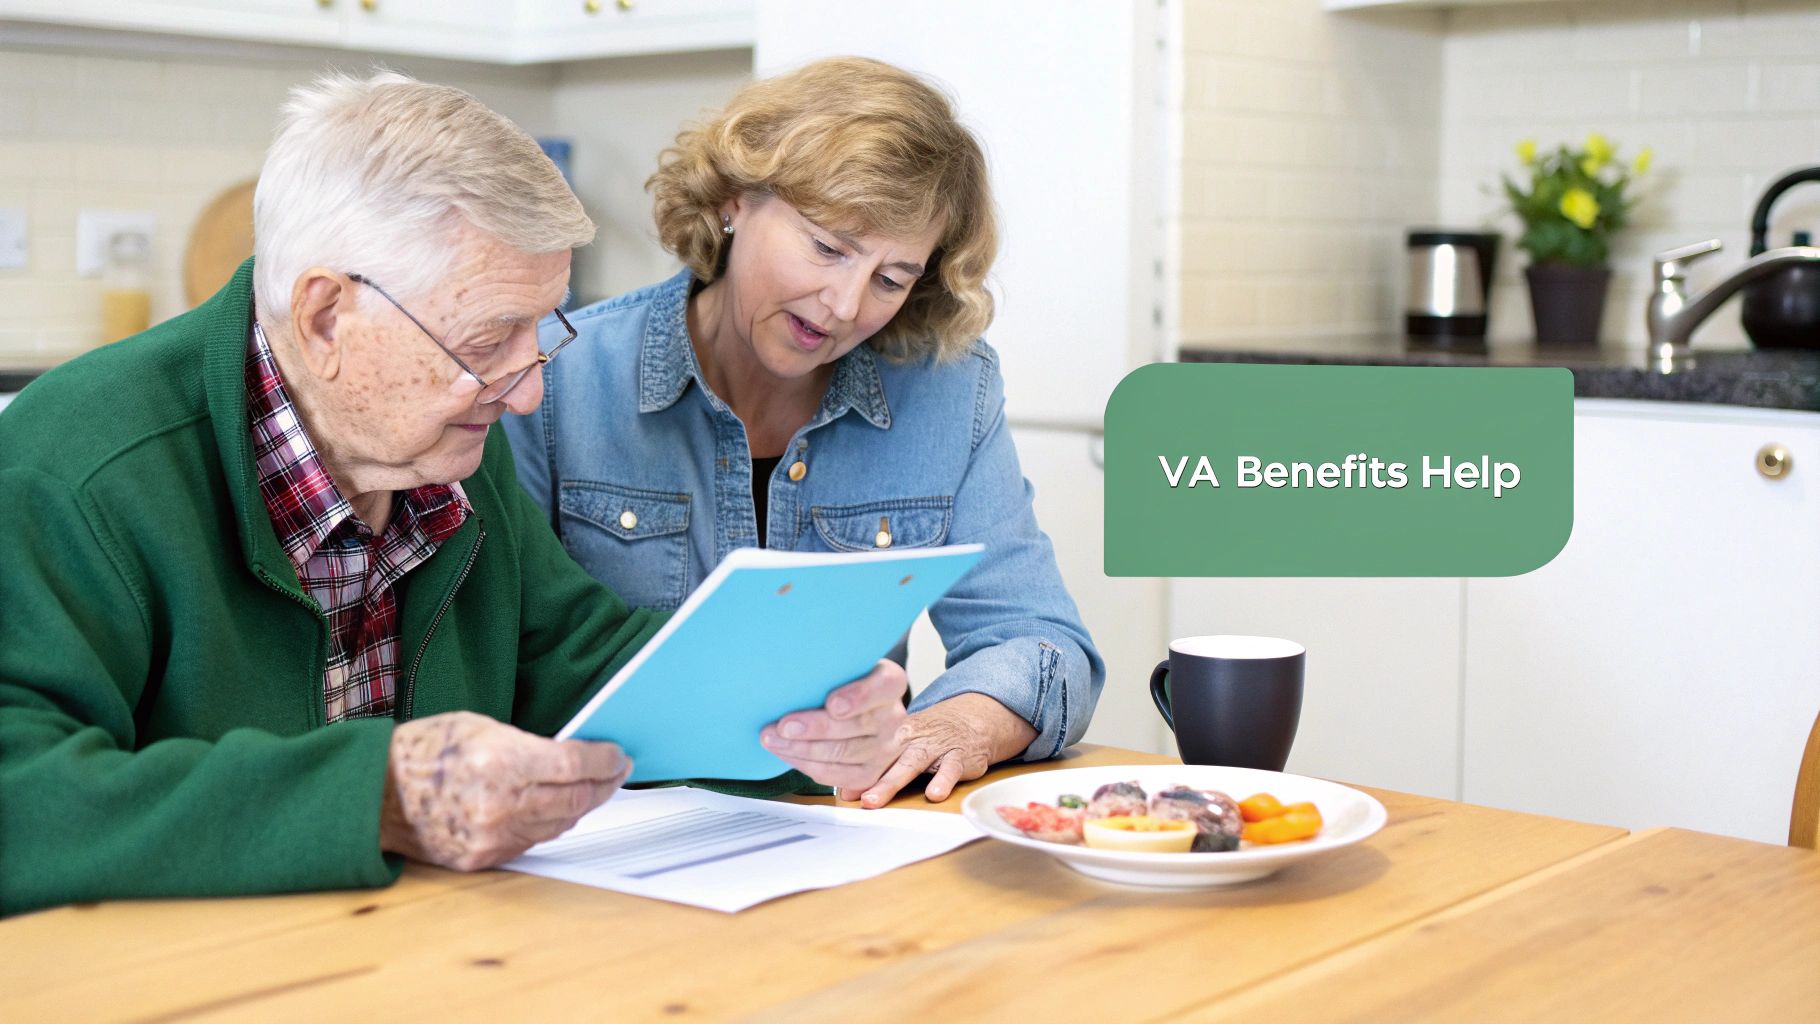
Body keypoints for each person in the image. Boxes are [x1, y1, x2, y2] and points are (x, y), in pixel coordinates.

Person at [0, 70, 908, 916]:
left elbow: (578, 662)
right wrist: (381, 798)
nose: (528, 390)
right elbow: (21, 797)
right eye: (485, 341)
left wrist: (799, 711)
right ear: (325, 316)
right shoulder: (75, 471)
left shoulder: (445, 447)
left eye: (537, 331)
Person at [504, 57, 1104, 810]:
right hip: (601, 828)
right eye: (827, 247)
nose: (847, 304)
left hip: (838, 829)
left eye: (892, 278)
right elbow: (504, 659)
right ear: (733, 201)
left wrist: (958, 724)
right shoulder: (558, 378)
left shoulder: (947, 390)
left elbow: (1043, 644)